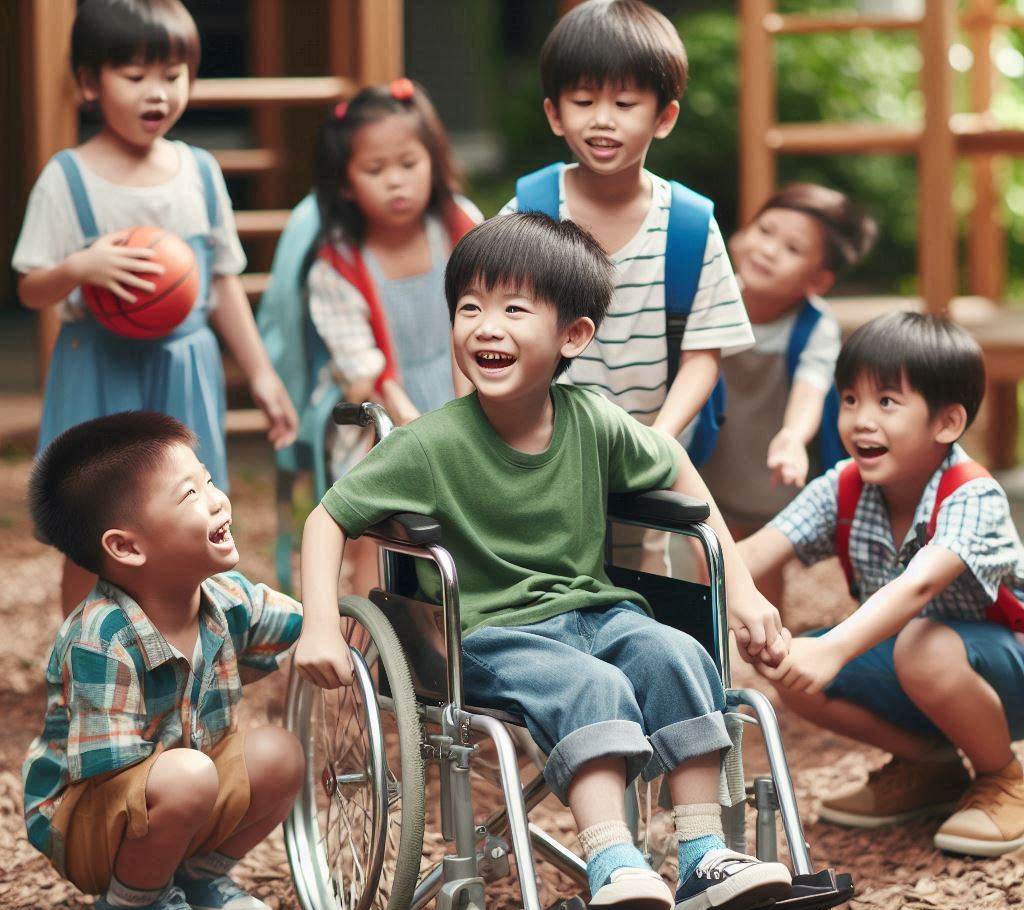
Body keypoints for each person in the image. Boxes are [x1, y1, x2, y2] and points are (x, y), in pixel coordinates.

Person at [295, 213, 792, 910]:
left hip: (598, 611)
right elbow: (328, 518)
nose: (486, 327)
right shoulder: (430, 444)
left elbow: (675, 461)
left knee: (677, 654)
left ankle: (702, 854)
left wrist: (737, 588)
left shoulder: (590, 418)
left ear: (573, 336)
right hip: (493, 634)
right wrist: (320, 623)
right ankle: (613, 861)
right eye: (470, 307)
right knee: (588, 685)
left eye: (513, 309)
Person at [12, 0, 298, 617]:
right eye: (134, 76)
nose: (157, 93)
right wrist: (77, 269)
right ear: (89, 83)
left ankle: (188, 662)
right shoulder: (68, 178)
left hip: (184, 366)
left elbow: (222, 284)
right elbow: (30, 287)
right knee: (91, 534)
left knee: (190, 523)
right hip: (98, 366)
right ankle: (82, 666)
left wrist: (262, 374)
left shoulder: (199, 172)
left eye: (172, 75)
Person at [741, 312, 1024, 858]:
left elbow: (919, 588)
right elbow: (753, 554)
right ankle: (931, 766)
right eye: (850, 400)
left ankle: (1003, 774)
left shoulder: (971, 495)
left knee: (921, 642)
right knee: (782, 660)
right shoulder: (843, 486)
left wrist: (833, 646)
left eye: (886, 402)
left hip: (1005, 667)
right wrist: (733, 600)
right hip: (922, 666)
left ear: (945, 423)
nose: (860, 421)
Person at [22, 411, 305, 910]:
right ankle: (133, 902)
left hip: (173, 791)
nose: (218, 499)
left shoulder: (223, 596)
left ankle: (195, 877)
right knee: (189, 774)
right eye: (189, 495)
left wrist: (350, 632)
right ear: (128, 548)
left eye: (209, 480)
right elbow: (110, 771)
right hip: (88, 819)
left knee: (279, 752)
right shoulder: (101, 636)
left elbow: (299, 624)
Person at [499, 0, 754, 572]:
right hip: (542, 449)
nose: (603, 120)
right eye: (584, 101)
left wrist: (660, 439)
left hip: (648, 449)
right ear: (555, 113)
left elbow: (704, 353)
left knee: (645, 577)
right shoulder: (529, 212)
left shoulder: (688, 224)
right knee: (543, 570)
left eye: (624, 102)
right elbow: (485, 325)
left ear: (663, 117)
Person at [304, 77, 483, 595]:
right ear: (345, 183)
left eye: (409, 164)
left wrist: (468, 416)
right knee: (373, 534)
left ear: (434, 160)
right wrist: (411, 424)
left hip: (465, 391)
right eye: (375, 170)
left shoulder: (459, 226)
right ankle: (366, 638)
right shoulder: (337, 263)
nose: (397, 182)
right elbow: (363, 368)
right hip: (380, 415)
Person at [700, 183, 876, 604]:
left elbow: (811, 387)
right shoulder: (709, 296)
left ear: (818, 279)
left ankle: (765, 650)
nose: (768, 250)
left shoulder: (815, 325)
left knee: (761, 566)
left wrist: (794, 436)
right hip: (712, 454)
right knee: (705, 554)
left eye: (792, 248)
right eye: (765, 230)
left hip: (771, 462)